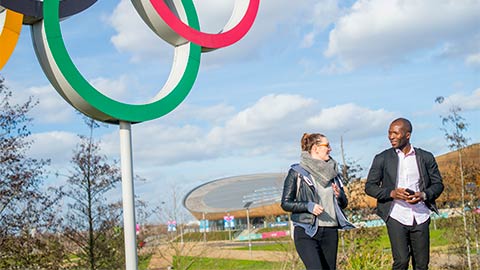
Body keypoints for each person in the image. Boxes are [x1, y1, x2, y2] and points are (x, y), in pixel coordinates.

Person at [365, 118, 444, 270]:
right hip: (396, 214)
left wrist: (423, 195)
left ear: (407, 135)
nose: (391, 137)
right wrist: (391, 193)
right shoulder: (382, 158)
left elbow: (438, 185)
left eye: (395, 133)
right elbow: (370, 187)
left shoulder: (425, 157)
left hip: (421, 215)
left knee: (421, 264)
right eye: (389, 133)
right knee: (401, 261)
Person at [281, 133, 354, 270]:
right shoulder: (297, 172)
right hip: (307, 230)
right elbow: (285, 203)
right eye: (326, 145)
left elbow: (344, 204)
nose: (330, 149)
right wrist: (308, 206)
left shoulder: (334, 174)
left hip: (330, 231)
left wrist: (339, 195)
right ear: (315, 148)